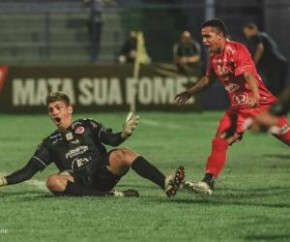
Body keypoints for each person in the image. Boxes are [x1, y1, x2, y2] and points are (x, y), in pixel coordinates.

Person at [175, 19, 290, 195]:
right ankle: (208, 183)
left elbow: (248, 74)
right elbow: (208, 78)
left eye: (207, 36)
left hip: (260, 105)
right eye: (202, 37)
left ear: (220, 36)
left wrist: (256, 95)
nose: (204, 41)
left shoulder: (237, 49)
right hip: (239, 108)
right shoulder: (214, 57)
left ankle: (208, 182)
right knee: (220, 140)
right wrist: (190, 92)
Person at [0, 92, 184, 197]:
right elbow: (28, 171)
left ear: (69, 109)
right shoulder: (50, 143)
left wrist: (124, 133)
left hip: (102, 171)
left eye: (58, 108)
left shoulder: (87, 124)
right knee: (52, 181)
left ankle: (165, 183)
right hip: (78, 180)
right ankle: (110, 196)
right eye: (51, 110)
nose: (55, 112)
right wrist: (4, 180)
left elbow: (111, 140)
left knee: (124, 153)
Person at [243, 23, 288, 96]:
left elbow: (260, 48)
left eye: (248, 31)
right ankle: (279, 105)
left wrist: (254, 63)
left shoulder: (256, 36)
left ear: (254, 30)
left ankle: (276, 105)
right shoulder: (263, 36)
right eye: (245, 32)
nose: (247, 34)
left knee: (275, 87)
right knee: (278, 87)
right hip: (280, 64)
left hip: (275, 65)